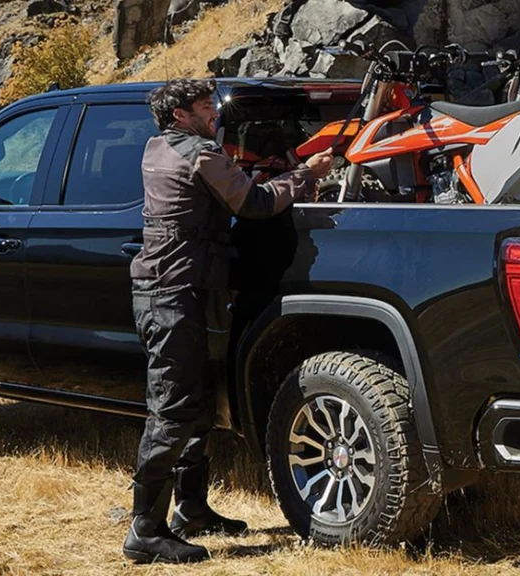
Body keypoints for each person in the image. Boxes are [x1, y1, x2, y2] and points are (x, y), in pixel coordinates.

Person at [123, 78, 333, 564]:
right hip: (175, 293)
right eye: (203, 107)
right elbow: (252, 204)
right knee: (173, 409)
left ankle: (192, 508)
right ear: (180, 115)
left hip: (180, 290)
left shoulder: (159, 146)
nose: (213, 114)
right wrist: (304, 175)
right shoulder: (198, 152)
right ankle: (144, 530)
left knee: (196, 403)